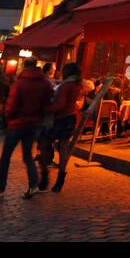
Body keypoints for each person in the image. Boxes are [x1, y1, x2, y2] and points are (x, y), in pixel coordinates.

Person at [0, 57, 54, 199]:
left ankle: (0, 187)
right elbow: (48, 102)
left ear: (25, 66)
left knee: (6, 157)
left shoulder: (20, 83)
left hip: (17, 123)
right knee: (28, 156)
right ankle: (33, 185)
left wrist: (8, 119)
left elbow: (12, 104)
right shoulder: (45, 83)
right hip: (34, 124)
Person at [39, 62, 85, 193]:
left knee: (45, 144)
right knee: (63, 149)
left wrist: (46, 108)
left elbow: (60, 105)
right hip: (70, 117)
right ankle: (60, 179)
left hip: (60, 119)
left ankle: (44, 176)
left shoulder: (66, 85)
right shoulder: (77, 84)